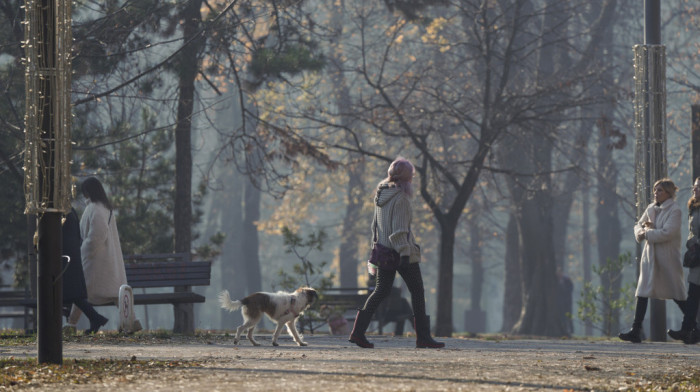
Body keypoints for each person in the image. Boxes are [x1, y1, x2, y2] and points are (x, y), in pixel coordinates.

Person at [349, 157, 444, 348]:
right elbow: (399, 231)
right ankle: (423, 337)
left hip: (383, 252)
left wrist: (375, 247)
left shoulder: (381, 196)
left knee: (380, 291)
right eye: (411, 177)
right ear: (407, 178)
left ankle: (357, 333)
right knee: (417, 292)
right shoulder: (401, 198)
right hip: (401, 253)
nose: (412, 181)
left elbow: (375, 227)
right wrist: (405, 255)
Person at [620, 178, 688, 343]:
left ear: (668, 193)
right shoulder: (651, 208)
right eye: (655, 190)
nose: (656, 194)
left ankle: (694, 325)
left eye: (660, 191)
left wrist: (648, 233)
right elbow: (639, 225)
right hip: (650, 257)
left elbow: (668, 233)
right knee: (642, 293)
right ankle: (636, 330)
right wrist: (641, 232)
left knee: (677, 294)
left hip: (667, 258)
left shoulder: (675, 211)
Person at [66, 177, 128, 332]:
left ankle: (72, 323)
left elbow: (96, 236)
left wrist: (83, 251)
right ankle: (130, 321)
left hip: (95, 260)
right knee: (112, 294)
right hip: (104, 259)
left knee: (79, 291)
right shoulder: (104, 207)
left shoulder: (96, 208)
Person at [62, 206, 108, 334]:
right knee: (74, 294)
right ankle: (95, 318)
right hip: (72, 254)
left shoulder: (62, 212)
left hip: (65, 256)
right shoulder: (70, 211)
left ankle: (95, 318)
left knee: (71, 293)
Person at [667, 177, 700, 344]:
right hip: (697, 259)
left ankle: (690, 330)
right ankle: (687, 330)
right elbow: (692, 231)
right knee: (693, 295)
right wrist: (691, 243)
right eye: (694, 187)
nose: (694, 190)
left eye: (698, 187)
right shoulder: (693, 206)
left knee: (694, 295)